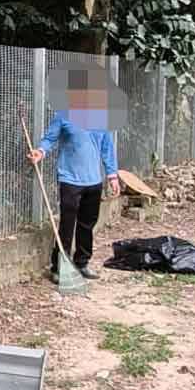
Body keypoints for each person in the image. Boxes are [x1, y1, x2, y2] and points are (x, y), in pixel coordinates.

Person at [28, 67, 121, 283]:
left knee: (87, 225)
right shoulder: (64, 115)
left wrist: (112, 175)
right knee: (67, 225)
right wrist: (40, 151)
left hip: (93, 181)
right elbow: (50, 139)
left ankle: (82, 263)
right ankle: (58, 267)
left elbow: (107, 149)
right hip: (69, 180)